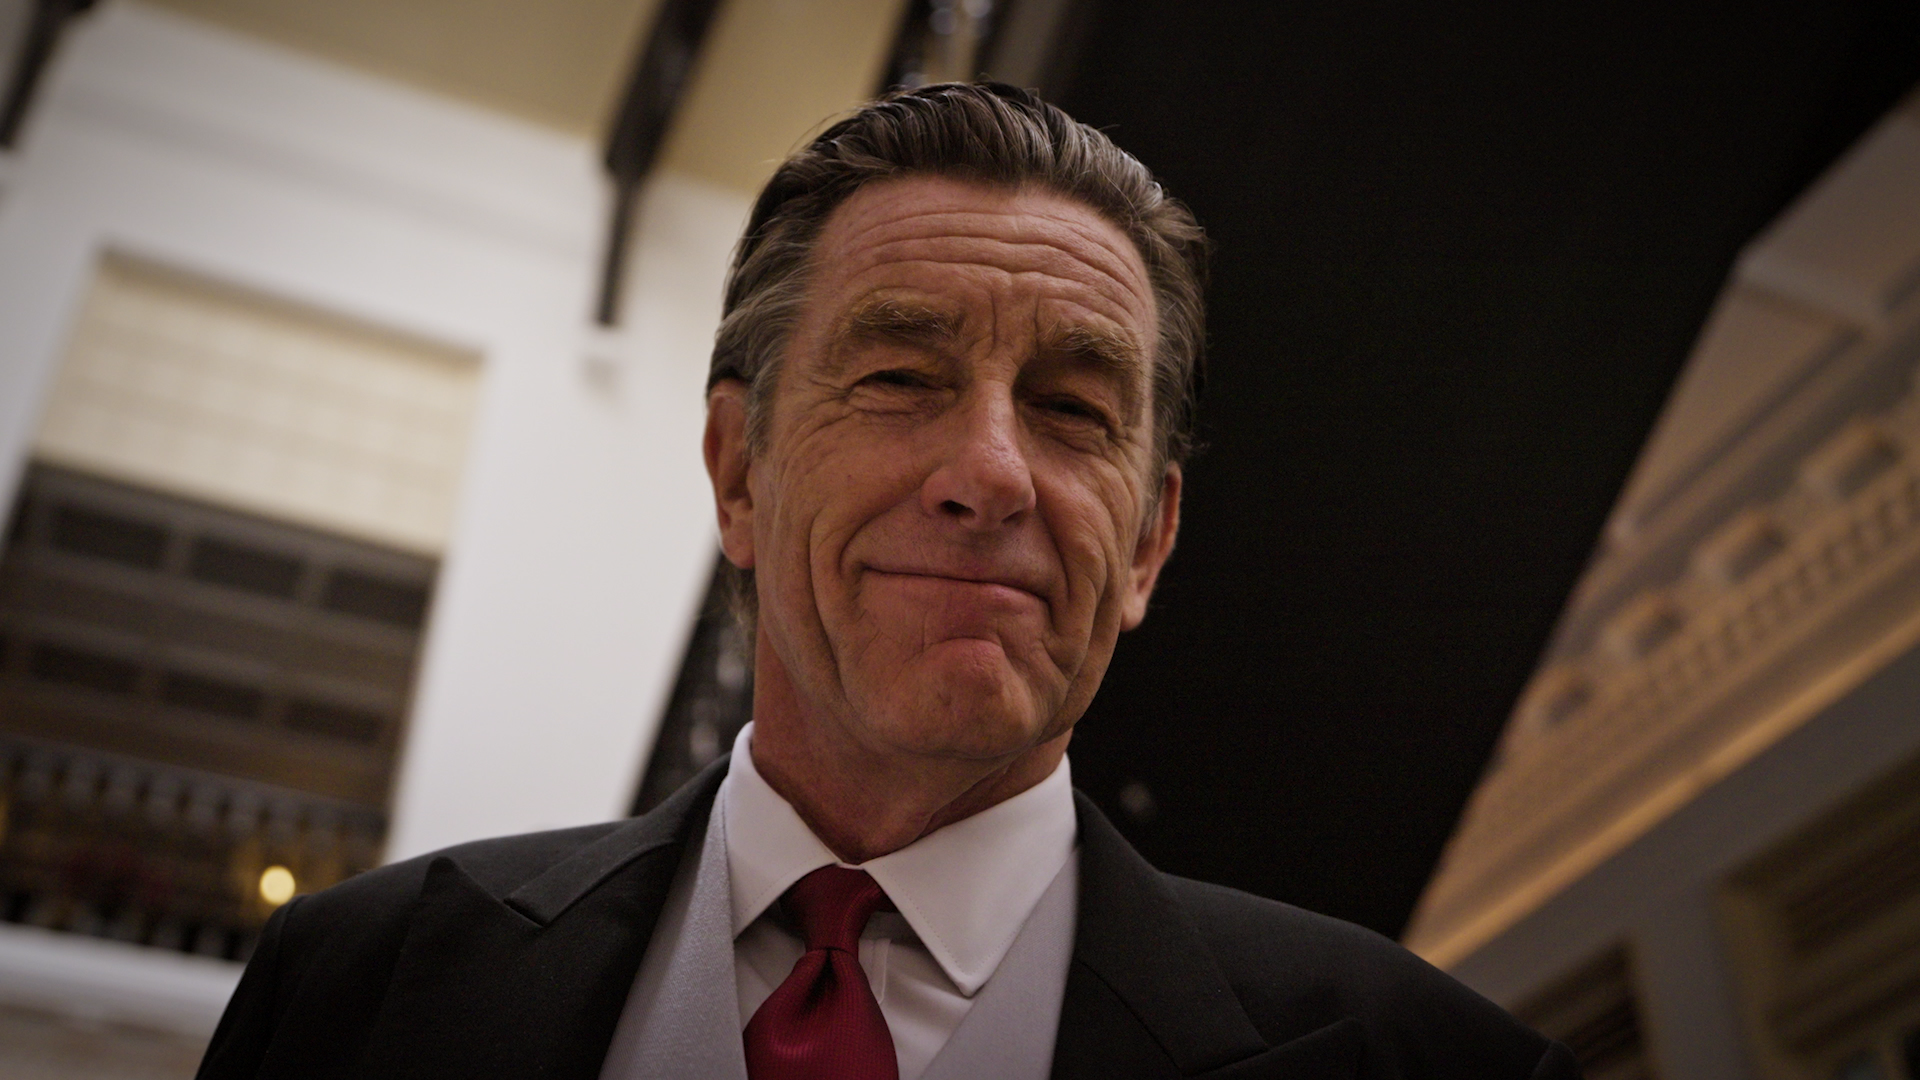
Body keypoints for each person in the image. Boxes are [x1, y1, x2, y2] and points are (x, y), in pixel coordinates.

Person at [196, 83, 1579, 1080]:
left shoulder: (1432, 1067)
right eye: (902, 377)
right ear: (739, 472)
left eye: (1073, 409)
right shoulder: (356, 996)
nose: (992, 472)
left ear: (1149, 543)